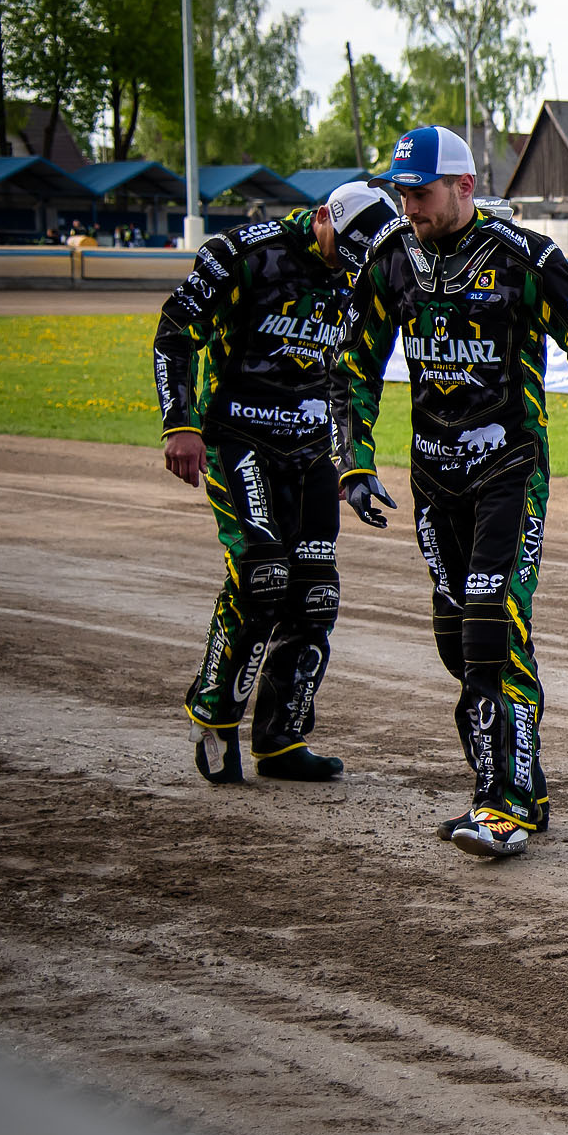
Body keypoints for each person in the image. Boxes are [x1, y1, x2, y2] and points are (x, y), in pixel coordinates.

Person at [339, 127, 568, 859]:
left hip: (510, 472)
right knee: (456, 644)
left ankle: (505, 804)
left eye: (423, 193)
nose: (409, 207)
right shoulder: (391, 258)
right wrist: (355, 460)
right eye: (401, 193)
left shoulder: (526, 258)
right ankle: (510, 787)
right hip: (433, 482)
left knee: (491, 631)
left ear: (464, 187)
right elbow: (354, 366)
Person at [157, 182, 396, 784]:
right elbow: (175, 330)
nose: (348, 265)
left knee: (316, 591)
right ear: (322, 218)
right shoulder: (243, 252)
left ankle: (281, 738)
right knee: (263, 573)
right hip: (240, 440)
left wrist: (352, 459)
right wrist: (178, 424)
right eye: (343, 249)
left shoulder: (365, 270)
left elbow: (356, 371)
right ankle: (213, 716)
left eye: (359, 260)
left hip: (313, 449)